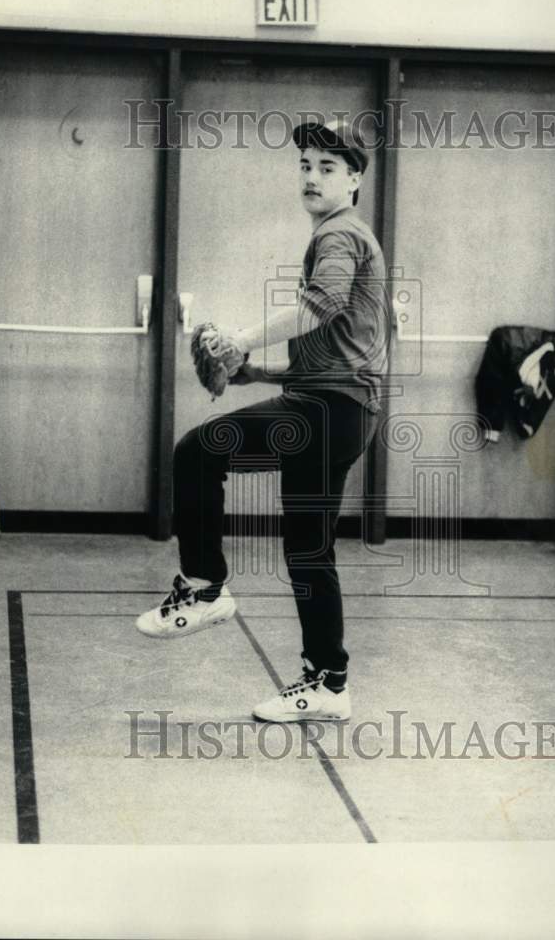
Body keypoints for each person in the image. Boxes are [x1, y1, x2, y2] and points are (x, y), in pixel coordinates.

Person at [136, 117, 391, 722]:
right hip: (339, 409)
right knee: (309, 550)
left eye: (327, 167)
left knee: (199, 452)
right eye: (305, 165)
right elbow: (336, 347)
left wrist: (239, 340)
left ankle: (204, 587)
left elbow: (319, 307)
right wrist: (255, 372)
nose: (311, 176)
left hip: (326, 412)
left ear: (354, 179)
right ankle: (328, 683)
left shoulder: (339, 237)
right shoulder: (346, 236)